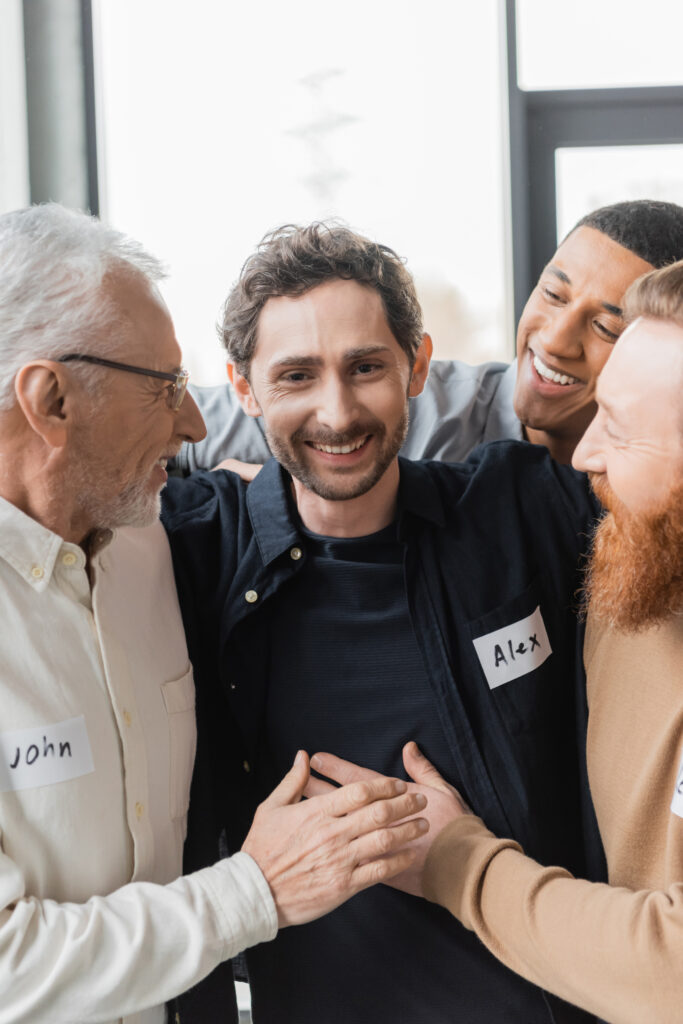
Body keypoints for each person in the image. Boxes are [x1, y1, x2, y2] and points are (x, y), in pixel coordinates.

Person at [163, 223, 608, 1024]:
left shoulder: (517, 509)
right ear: (243, 389)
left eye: (365, 367)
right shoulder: (192, 551)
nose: (336, 413)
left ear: (417, 365)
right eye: (295, 376)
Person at [0, 204, 429, 1024]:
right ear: (50, 399)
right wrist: (257, 889)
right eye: (164, 388)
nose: (194, 422)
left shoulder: (157, 545)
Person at [312, 260, 683, 1024]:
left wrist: (459, 865)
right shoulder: (633, 563)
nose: (585, 457)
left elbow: (670, 970)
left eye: (617, 430)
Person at [173, 199, 683, 474]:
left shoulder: (657, 477)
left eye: (604, 327)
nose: (554, 340)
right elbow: (160, 420)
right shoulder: (414, 405)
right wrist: (277, 497)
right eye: (553, 294)